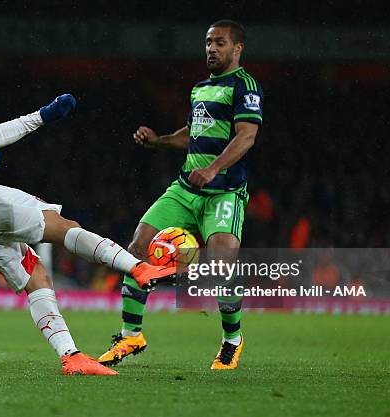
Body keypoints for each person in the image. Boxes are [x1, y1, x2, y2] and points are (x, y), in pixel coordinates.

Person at [0, 75, 178, 376]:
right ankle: (138, 268)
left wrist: (42, 116)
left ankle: (71, 356)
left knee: (36, 276)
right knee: (61, 225)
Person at [98, 20, 263, 370]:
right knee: (137, 248)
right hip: (186, 188)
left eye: (220, 43)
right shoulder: (200, 88)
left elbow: (246, 136)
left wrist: (214, 169)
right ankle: (131, 335)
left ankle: (232, 339)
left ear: (237, 49)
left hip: (224, 192)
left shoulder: (245, 86)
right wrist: (159, 141)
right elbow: (192, 134)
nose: (211, 49)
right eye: (207, 42)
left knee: (222, 263)